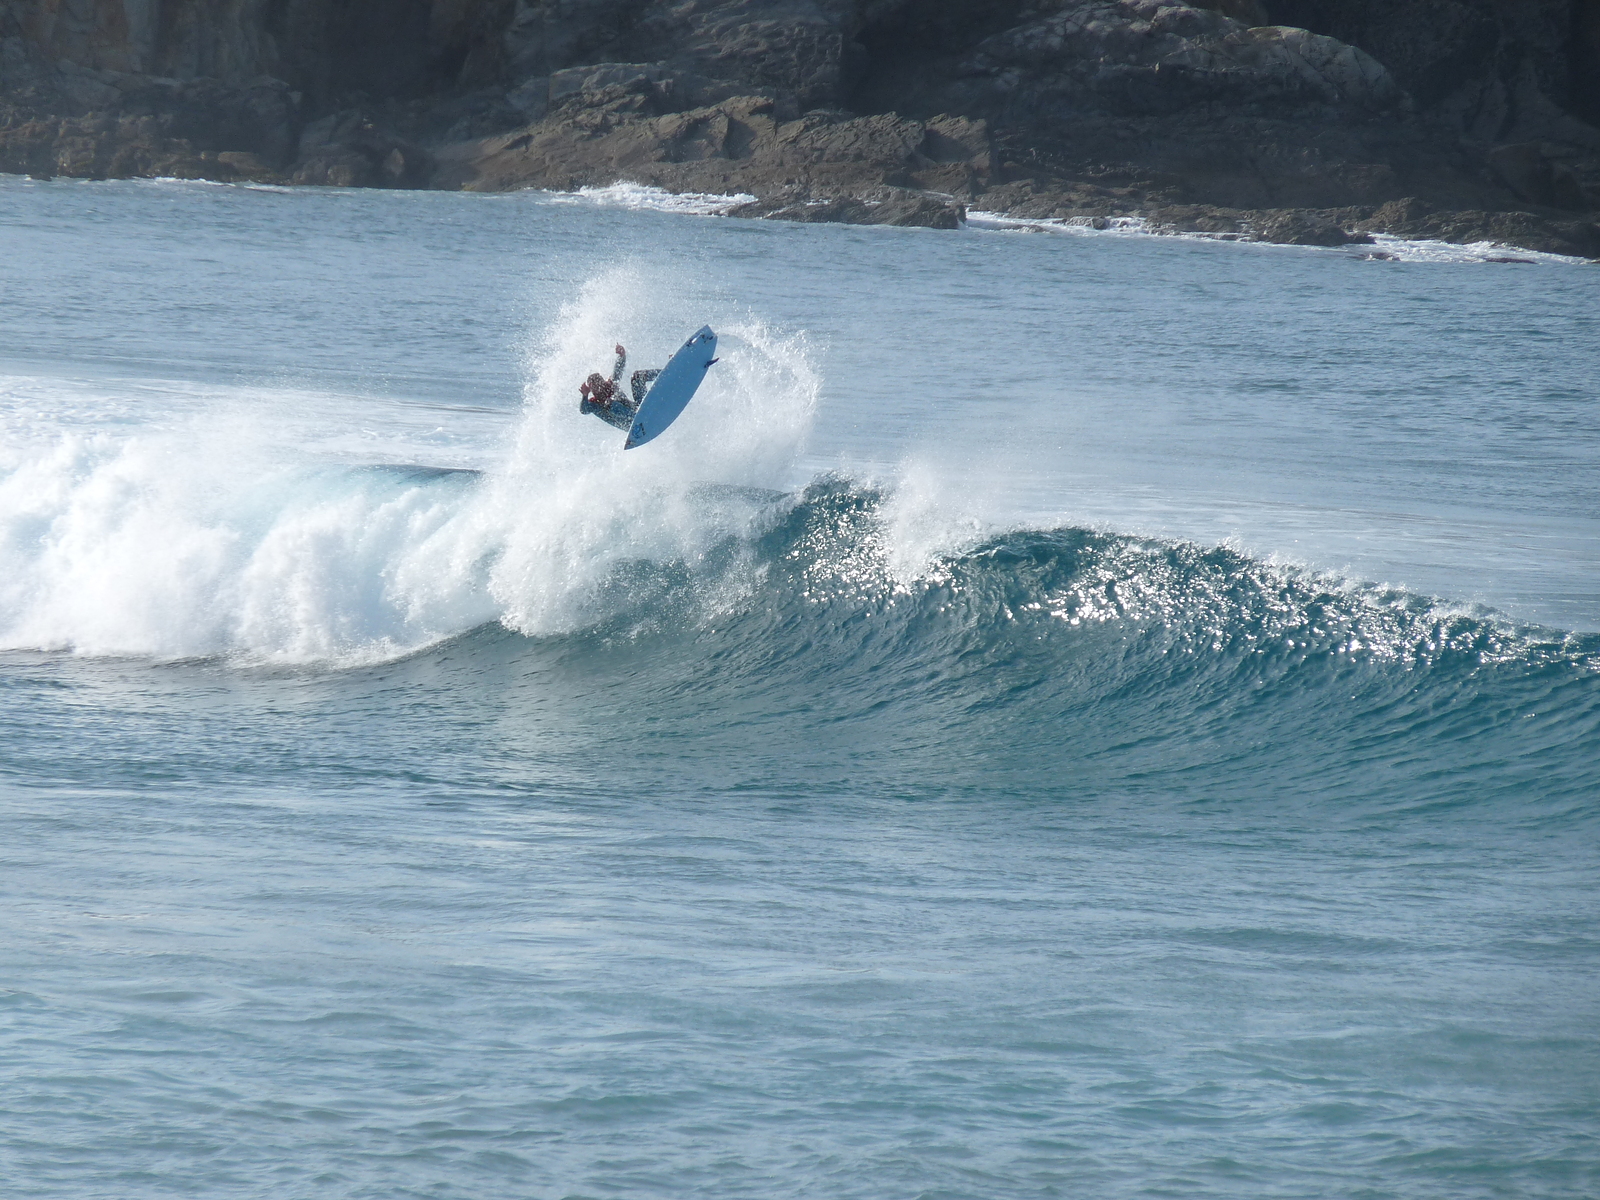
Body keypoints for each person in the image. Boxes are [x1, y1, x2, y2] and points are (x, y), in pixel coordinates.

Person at [579, 344, 660, 431]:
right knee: (609, 403)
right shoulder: (594, 404)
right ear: (591, 389)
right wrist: (585, 396)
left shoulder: (611, 385)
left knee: (637, 376)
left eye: (599, 382)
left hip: (640, 409)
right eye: (594, 386)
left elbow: (618, 370)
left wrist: (622, 356)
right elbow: (584, 410)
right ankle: (638, 421)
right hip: (630, 424)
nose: (598, 387)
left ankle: (666, 373)